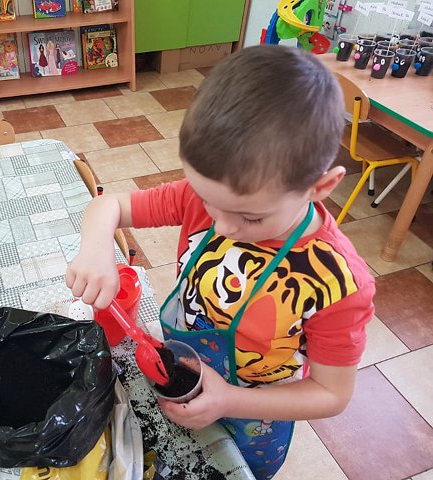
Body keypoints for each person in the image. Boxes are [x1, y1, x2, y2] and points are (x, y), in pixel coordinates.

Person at [65, 45, 375, 479]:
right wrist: (96, 248)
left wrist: (229, 399)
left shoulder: (337, 283)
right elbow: (108, 206)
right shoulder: (207, 197)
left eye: (251, 217)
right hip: (181, 376)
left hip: (256, 417)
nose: (223, 226)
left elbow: (331, 394)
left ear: (320, 187)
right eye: (210, 202)